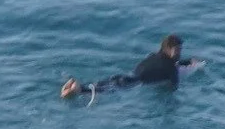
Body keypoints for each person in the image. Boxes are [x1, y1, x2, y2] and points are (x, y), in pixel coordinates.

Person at [61, 34, 198, 101]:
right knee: (103, 91)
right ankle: (78, 90)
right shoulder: (171, 69)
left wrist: (186, 62)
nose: (180, 52)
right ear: (168, 49)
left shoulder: (153, 56)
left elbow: (171, 62)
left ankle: (76, 86)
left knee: (102, 85)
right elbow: (172, 88)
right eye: (178, 50)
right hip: (133, 84)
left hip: (124, 76)